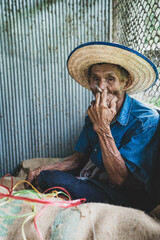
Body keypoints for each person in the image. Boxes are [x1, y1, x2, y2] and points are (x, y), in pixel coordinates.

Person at [25, 42, 159, 212]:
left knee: (51, 180)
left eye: (110, 79)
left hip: (126, 197)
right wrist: (42, 169)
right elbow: (77, 159)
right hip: (94, 181)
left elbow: (120, 179)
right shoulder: (95, 111)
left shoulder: (146, 120)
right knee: (45, 176)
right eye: (95, 78)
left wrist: (103, 127)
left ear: (126, 83)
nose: (101, 87)